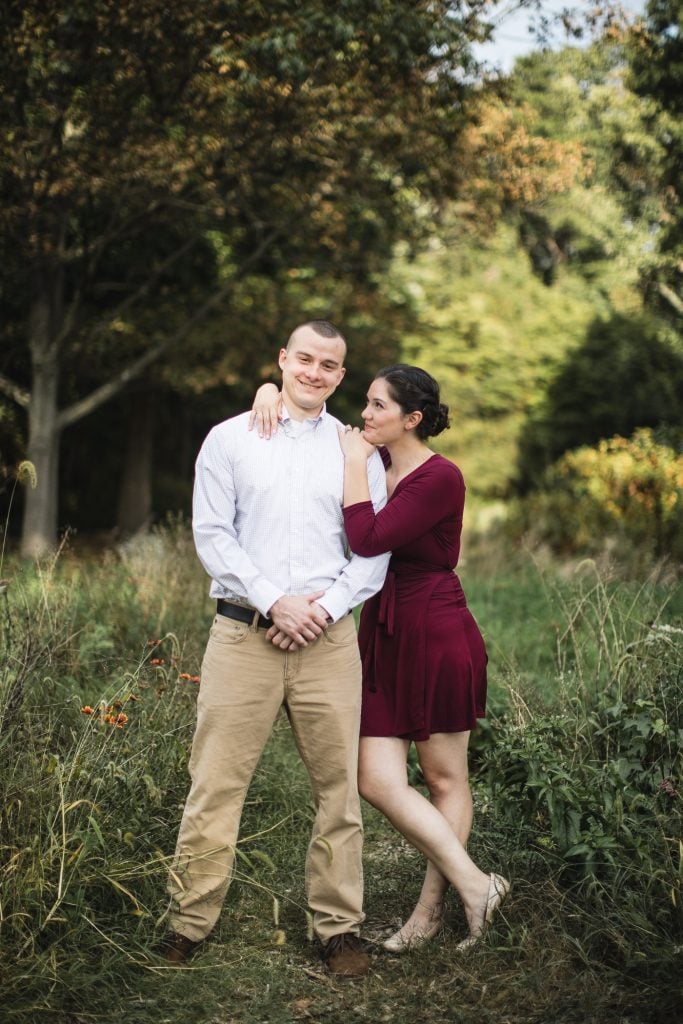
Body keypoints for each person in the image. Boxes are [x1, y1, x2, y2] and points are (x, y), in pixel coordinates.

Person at [251, 364, 509, 953]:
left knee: (445, 777)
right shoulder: (373, 461)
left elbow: (368, 538)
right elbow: (304, 410)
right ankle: (478, 883)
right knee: (375, 779)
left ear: (411, 419)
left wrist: (348, 462)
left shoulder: (439, 477)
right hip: (382, 628)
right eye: (364, 404)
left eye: (376, 407)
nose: (363, 416)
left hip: (437, 627)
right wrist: (269, 389)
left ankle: (429, 914)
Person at [164, 320, 390, 979]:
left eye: (329, 365)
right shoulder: (230, 439)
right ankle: (186, 922)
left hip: (328, 641)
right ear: (282, 361)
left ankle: (339, 929)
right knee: (215, 784)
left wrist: (317, 609)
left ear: (341, 376)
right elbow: (213, 536)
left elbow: (370, 550)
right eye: (304, 360)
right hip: (242, 636)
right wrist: (274, 600)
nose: (314, 373)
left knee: (337, 790)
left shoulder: (358, 454)